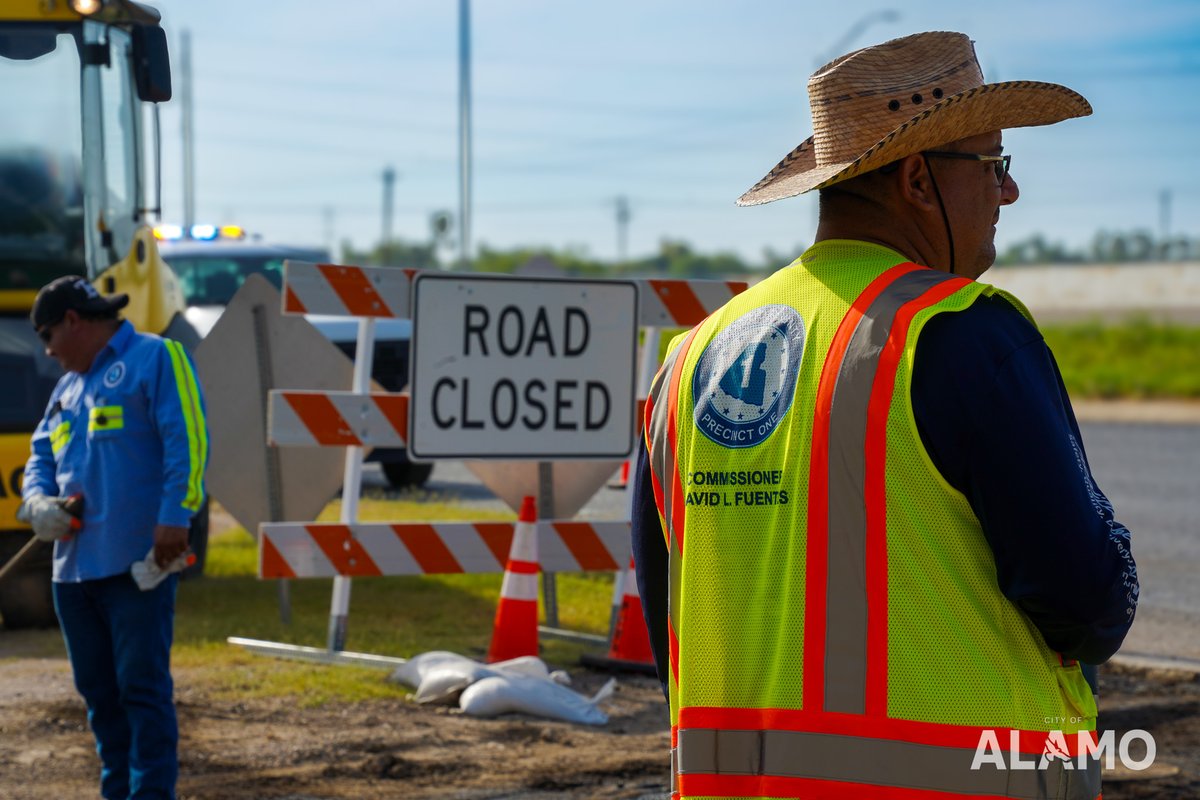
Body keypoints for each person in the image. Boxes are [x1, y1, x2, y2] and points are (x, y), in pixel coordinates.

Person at [633, 31, 1138, 799]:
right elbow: (1086, 600)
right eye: (995, 166)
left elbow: (672, 619)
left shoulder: (690, 361)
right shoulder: (962, 332)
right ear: (917, 180)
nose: (1008, 193)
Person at [21, 275, 208, 800]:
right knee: (101, 699)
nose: (48, 351)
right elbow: (40, 460)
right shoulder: (66, 390)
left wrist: (177, 515)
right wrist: (37, 503)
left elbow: (187, 439)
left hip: (137, 566)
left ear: (73, 321)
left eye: (47, 336)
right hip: (73, 576)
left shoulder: (157, 357)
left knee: (141, 693)